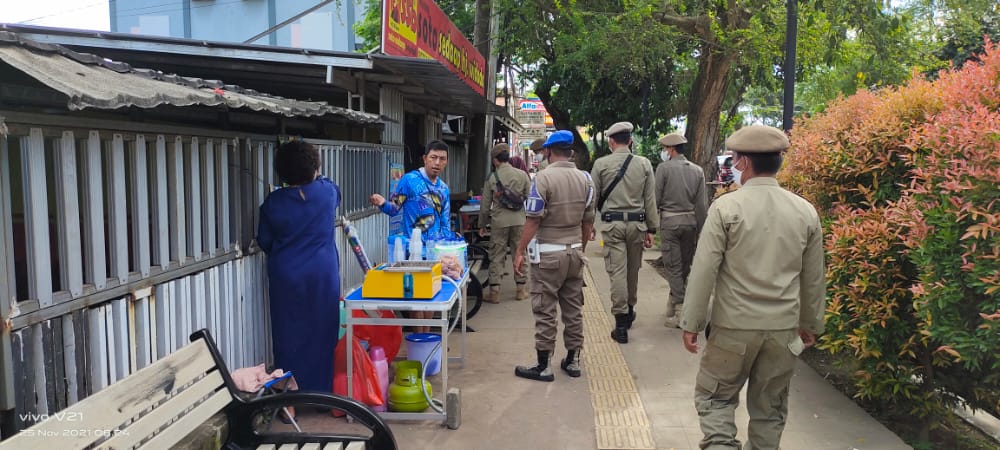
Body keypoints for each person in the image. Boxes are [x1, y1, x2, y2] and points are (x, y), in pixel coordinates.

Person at [680, 125, 826, 450]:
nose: (733, 163)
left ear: (744, 162)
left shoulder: (726, 208)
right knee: (770, 412)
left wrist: (691, 322)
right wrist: (811, 324)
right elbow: (813, 278)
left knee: (716, 401)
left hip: (733, 328)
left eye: (734, 158)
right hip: (783, 332)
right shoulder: (805, 211)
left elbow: (704, 270)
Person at [258, 140, 342, 392]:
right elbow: (331, 187)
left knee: (288, 335)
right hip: (322, 273)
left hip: (287, 275)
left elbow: (265, 241)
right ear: (314, 167)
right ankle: (321, 393)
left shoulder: (273, 203)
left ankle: (290, 400)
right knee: (323, 332)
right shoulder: (327, 192)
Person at [512, 130, 595, 381]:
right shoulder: (587, 179)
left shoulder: (543, 179)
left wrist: (519, 251)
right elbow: (588, 221)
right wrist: (580, 249)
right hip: (574, 253)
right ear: (570, 152)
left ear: (548, 151)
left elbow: (533, 220)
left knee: (545, 309)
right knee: (573, 309)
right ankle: (573, 361)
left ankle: (543, 365)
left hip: (548, 255)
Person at [369, 140, 459, 332]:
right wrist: (382, 202)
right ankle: (420, 339)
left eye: (442, 159)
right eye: (433, 157)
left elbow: (444, 222)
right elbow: (394, 209)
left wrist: (449, 252)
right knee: (417, 299)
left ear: (447, 162)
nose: (437, 162)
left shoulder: (443, 188)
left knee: (433, 298)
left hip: (435, 254)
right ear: (425, 158)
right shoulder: (409, 180)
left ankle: (426, 338)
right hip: (413, 252)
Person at [590, 121, 658, 344]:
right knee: (632, 271)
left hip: (612, 226)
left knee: (617, 272)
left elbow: (593, 199)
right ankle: (629, 311)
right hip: (637, 225)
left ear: (611, 141)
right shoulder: (644, 164)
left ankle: (620, 326)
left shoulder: (601, 164)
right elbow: (650, 199)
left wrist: (590, 224)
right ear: (630, 141)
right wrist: (652, 229)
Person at [655, 133, 708, 328]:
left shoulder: (663, 169)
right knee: (685, 266)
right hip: (691, 223)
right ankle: (673, 304)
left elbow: (656, 199)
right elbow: (701, 205)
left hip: (670, 223)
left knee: (673, 268)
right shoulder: (697, 171)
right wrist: (704, 230)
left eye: (665, 149)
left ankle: (679, 310)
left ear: (670, 149)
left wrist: (651, 227)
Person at [479, 143, 532, 303]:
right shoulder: (522, 175)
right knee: (520, 252)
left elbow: (485, 205)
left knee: (497, 254)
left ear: (495, 160)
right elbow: (531, 199)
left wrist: (482, 224)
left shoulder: (492, 177)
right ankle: (521, 290)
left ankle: (494, 292)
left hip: (499, 221)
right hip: (520, 220)